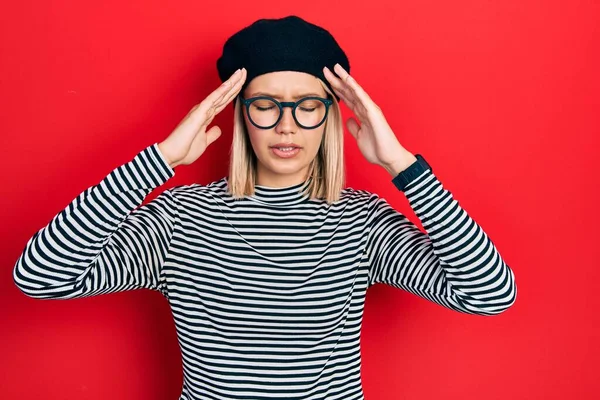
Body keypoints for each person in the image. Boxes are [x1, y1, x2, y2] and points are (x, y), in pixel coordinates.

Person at [13, 15, 517, 400]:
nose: (286, 125)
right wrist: (161, 158)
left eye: (307, 105)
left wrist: (403, 166)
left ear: (330, 116)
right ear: (239, 114)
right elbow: (40, 276)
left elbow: (490, 293)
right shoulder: (179, 218)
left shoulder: (363, 221)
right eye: (265, 104)